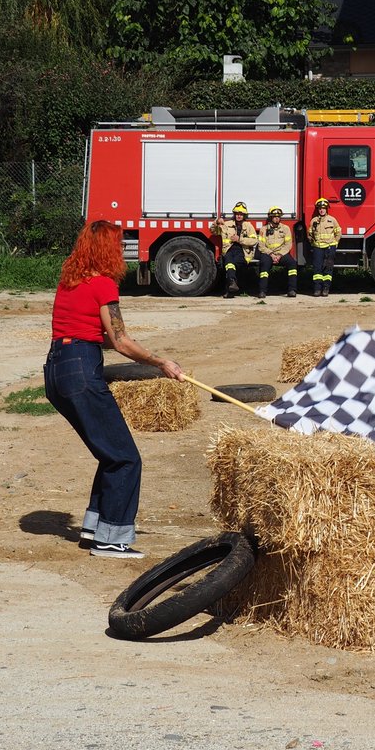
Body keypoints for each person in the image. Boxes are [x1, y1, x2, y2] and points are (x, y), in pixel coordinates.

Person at [44, 221, 184, 559]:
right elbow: (119, 341)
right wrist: (159, 362)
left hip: (56, 368)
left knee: (110, 454)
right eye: (119, 245)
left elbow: (95, 332)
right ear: (108, 250)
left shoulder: (71, 280)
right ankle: (112, 540)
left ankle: (95, 529)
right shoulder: (104, 284)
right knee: (125, 459)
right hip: (80, 368)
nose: (122, 251)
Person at [210, 202, 261, 298]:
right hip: (229, 249)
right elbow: (214, 231)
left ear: (244, 215)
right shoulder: (227, 224)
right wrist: (216, 223)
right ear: (234, 214)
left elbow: (254, 240)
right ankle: (232, 285)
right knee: (229, 263)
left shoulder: (248, 226)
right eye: (237, 214)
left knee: (231, 264)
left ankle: (230, 288)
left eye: (241, 214)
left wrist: (239, 239)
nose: (239, 216)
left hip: (243, 251)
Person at [257, 207, 298, 298]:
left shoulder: (285, 228)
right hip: (268, 253)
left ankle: (292, 290)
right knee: (264, 264)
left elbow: (288, 244)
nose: (277, 218)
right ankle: (262, 291)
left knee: (292, 263)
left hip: (281, 254)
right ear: (270, 218)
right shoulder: (263, 229)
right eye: (274, 216)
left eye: (278, 217)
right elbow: (261, 245)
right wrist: (271, 254)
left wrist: (279, 255)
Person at [308, 197, 341, 297]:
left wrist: (335, 244)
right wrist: (311, 241)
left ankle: (326, 288)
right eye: (320, 208)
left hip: (330, 247)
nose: (321, 210)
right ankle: (317, 289)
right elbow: (310, 234)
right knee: (317, 269)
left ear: (327, 209)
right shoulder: (314, 221)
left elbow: (338, 232)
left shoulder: (332, 220)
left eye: (323, 208)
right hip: (318, 248)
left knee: (328, 269)